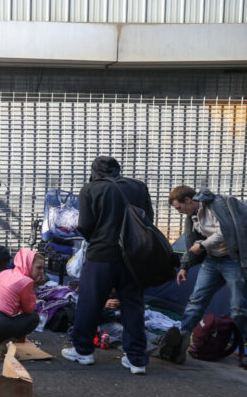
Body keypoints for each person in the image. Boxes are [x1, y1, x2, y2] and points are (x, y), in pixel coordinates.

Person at [62, 156, 153, 375]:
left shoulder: (91, 189)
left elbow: (84, 225)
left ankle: (83, 351)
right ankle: (137, 360)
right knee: (133, 305)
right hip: (133, 257)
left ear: (94, 171)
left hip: (101, 255)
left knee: (90, 302)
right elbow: (148, 218)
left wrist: (98, 237)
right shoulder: (139, 187)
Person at [158, 185, 247, 363]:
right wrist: (185, 266)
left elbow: (226, 232)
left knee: (238, 306)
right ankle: (180, 340)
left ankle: (239, 347)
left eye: (179, 207)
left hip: (233, 261)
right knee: (196, 299)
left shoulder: (217, 205)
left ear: (189, 200)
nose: (179, 212)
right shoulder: (192, 217)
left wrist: (203, 245)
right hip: (212, 261)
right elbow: (191, 241)